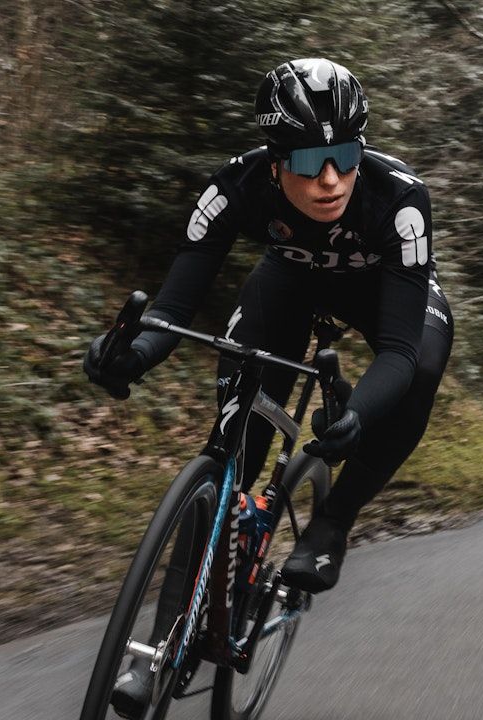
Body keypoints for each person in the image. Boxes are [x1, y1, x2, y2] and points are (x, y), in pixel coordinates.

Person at [84, 57, 453, 595]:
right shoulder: (237, 185)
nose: (331, 180)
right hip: (291, 279)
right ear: (275, 163)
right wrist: (134, 354)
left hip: (383, 291)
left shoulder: (399, 198)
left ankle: (332, 524)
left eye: (346, 156)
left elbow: (398, 350)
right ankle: (222, 528)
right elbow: (173, 309)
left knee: (422, 368)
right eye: (309, 161)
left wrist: (358, 413)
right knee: (241, 431)